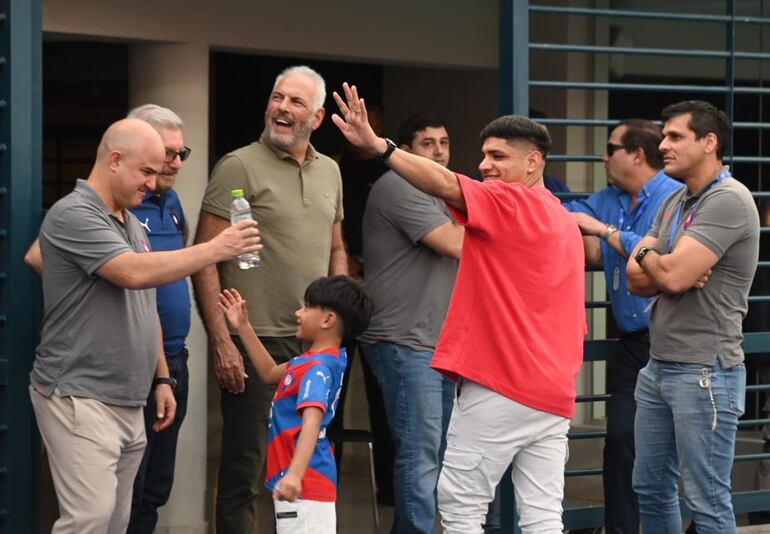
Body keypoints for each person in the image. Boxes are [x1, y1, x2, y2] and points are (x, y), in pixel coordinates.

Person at [332, 83, 585, 534]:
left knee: (460, 507)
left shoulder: (511, 201)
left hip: (502, 385)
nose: (485, 165)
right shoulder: (560, 218)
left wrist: (378, 147)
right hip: (553, 393)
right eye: (483, 154)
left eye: (498, 156)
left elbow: (446, 182)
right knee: (543, 516)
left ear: (533, 162)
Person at [25, 118, 260, 533]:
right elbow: (132, 273)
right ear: (115, 160)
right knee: (89, 520)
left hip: (129, 398)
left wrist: (162, 380)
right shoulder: (74, 213)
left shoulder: (129, 221)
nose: (154, 182)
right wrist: (214, 249)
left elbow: (143, 300)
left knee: (118, 521)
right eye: (146, 171)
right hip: (81, 394)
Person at [191, 65, 347, 533]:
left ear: (316, 117)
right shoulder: (237, 165)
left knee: (304, 463)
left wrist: (337, 328)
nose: (282, 108)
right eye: (278, 98)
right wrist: (221, 340)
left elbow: (337, 248)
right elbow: (204, 257)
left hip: (313, 344)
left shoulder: (331, 171)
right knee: (246, 467)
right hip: (254, 338)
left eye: (296, 102)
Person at [627, 100, 759, 533]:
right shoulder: (675, 199)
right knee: (649, 487)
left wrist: (657, 262)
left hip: (705, 371)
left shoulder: (728, 200)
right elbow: (637, 278)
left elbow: (671, 277)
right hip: (659, 366)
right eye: (664, 136)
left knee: (706, 501)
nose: (662, 145)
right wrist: (657, 260)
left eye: (675, 137)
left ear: (709, 143)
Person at [563, 119, 682, 533]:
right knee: (620, 442)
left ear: (636, 154)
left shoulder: (674, 196)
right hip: (633, 344)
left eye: (611, 148)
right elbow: (567, 214)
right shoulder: (608, 199)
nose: (603, 156)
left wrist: (608, 234)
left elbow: (664, 254)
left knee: (683, 454)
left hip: (678, 340)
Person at [359, 112, 461, 533]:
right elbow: (454, 243)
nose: (438, 151)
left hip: (438, 340)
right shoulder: (399, 184)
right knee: (420, 454)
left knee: (434, 452)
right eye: (427, 143)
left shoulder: (444, 191)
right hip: (402, 339)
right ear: (404, 151)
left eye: (443, 141)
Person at [217, 275, 373, 534]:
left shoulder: (318, 369)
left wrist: (294, 475)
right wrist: (243, 327)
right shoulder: (311, 361)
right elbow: (268, 372)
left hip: (306, 485)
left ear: (328, 320)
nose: (298, 312)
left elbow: (310, 424)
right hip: (301, 484)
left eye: (308, 306)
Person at [124, 104, 193, 533]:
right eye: (168, 153)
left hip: (174, 361)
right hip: (135, 363)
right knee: (127, 485)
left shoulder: (171, 202)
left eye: (181, 152)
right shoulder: (121, 205)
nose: (176, 162)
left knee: (156, 486)